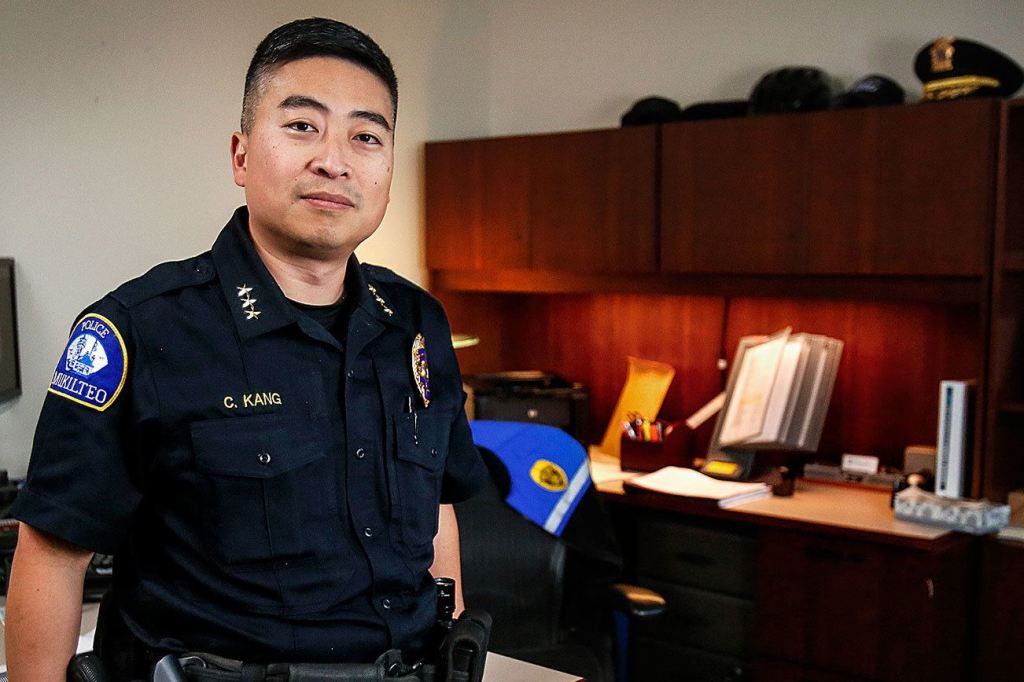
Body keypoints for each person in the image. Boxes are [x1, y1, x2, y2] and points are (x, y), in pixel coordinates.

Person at [5, 17, 485, 680]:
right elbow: (54, 555)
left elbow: (438, 512)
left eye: (366, 136)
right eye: (302, 125)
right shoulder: (142, 330)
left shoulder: (415, 322)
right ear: (241, 155)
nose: (335, 160)